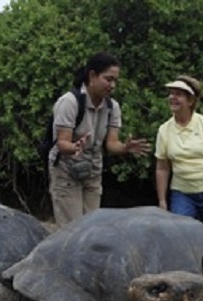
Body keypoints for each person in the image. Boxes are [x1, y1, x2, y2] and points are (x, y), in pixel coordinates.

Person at [48, 51, 150, 225]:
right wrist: (74, 147)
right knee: (71, 228)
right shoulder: (70, 102)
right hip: (66, 170)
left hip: (93, 170)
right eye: (108, 79)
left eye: (115, 80)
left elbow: (111, 144)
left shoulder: (112, 107)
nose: (112, 85)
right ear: (92, 76)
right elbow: (62, 143)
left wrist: (125, 148)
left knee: (92, 227)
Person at [154, 75, 203, 228]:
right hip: (182, 192)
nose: (173, 98)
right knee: (180, 232)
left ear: (190, 101)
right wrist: (162, 201)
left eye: (178, 94)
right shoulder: (164, 130)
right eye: (171, 93)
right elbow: (162, 168)